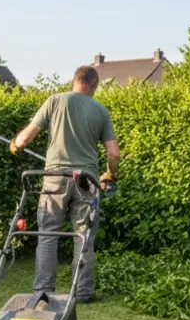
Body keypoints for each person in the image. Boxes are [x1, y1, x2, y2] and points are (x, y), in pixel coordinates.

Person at [9, 65, 119, 303]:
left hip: (55, 177)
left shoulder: (55, 101)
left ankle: (43, 291)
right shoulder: (101, 111)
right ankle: (81, 293)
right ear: (93, 84)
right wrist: (110, 174)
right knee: (84, 236)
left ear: (75, 81)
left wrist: (16, 145)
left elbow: (26, 137)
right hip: (87, 181)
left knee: (48, 233)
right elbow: (113, 154)